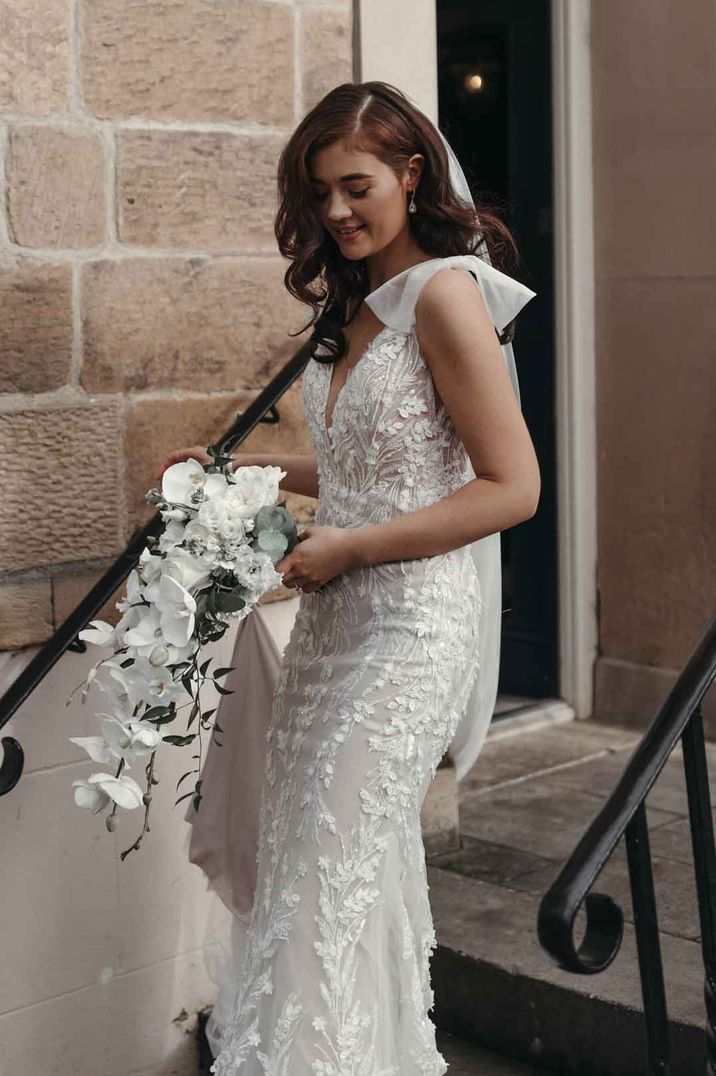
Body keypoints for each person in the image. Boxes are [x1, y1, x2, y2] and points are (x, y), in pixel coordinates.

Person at [158, 80, 539, 1076]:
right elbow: (375, 468)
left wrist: (345, 547)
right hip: (333, 627)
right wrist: (250, 474)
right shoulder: (358, 306)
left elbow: (511, 487)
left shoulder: (446, 297)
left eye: (355, 185)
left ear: (412, 175)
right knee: (305, 872)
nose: (335, 211)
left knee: (330, 862)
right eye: (320, 192)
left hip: (410, 627)